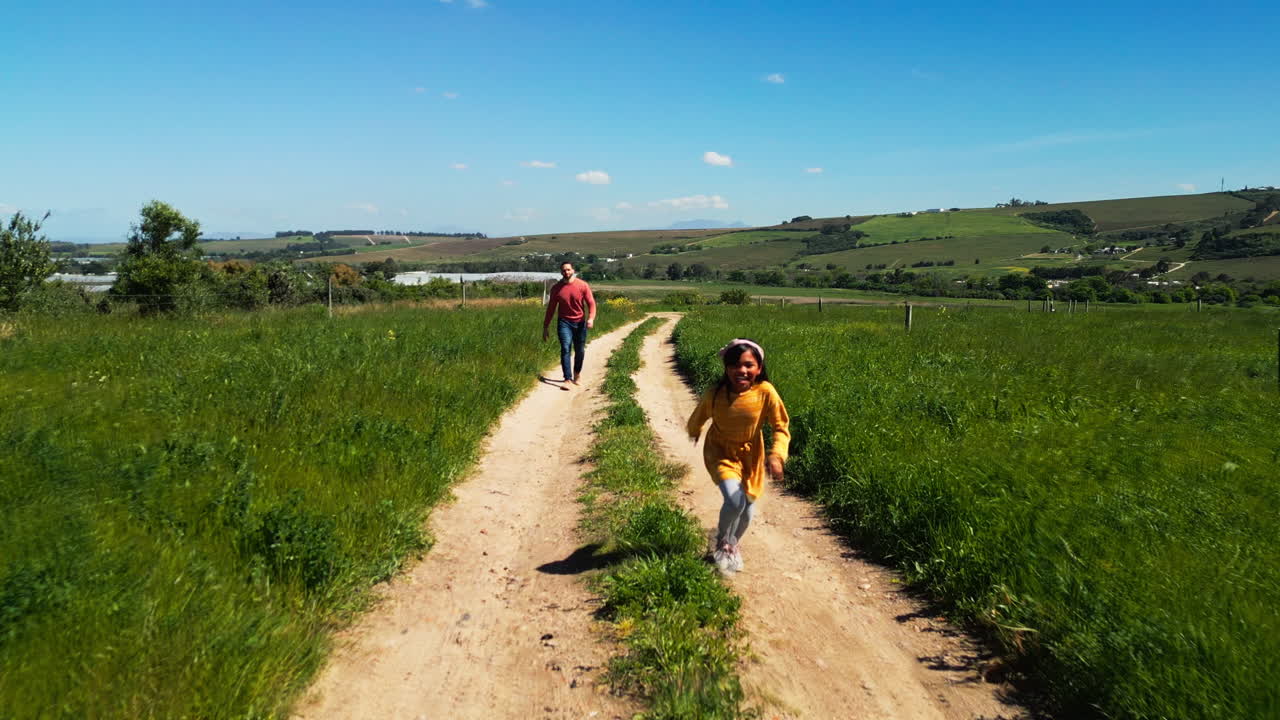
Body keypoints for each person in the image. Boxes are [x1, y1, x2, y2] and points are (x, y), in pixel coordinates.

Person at [686, 338, 789, 574]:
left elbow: (781, 426)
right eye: (734, 365)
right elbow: (699, 415)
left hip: (751, 457)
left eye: (748, 365)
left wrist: (777, 455)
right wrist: (694, 430)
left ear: (759, 368)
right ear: (726, 368)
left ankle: (733, 544)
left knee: (747, 510)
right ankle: (721, 540)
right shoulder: (717, 394)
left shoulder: (766, 392)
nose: (741, 370)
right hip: (720, 452)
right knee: (734, 501)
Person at [542, 261, 596, 389]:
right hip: (564, 322)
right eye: (564, 270)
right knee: (565, 348)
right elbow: (551, 309)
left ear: (573, 270)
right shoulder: (556, 288)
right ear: (561, 272)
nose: (566, 272)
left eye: (568, 270)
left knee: (580, 351)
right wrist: (545, 326)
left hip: (580, 322)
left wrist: (591, 318)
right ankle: (567, 379)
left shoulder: (582, 285)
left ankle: (576, 375)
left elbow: (591, 303)